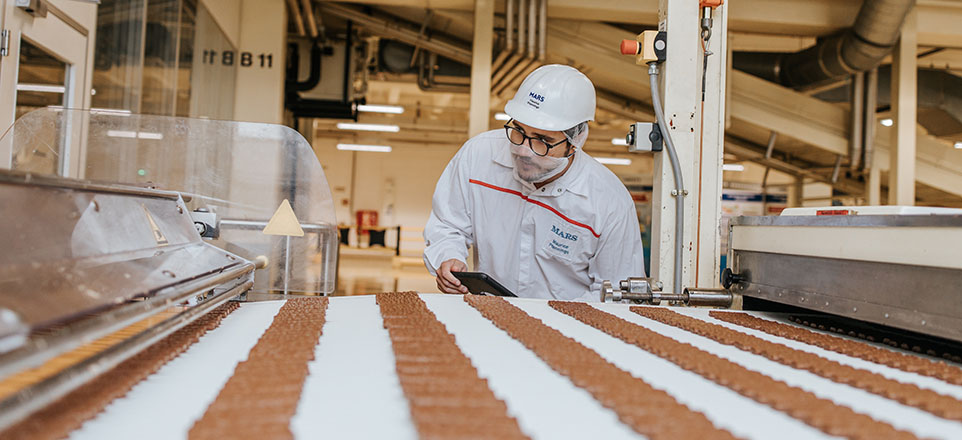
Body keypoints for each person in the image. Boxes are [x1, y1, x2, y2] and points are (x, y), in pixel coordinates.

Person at [423, 64, 645, 301]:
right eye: (519, 131)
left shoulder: (608, 201)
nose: (523, 150)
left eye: (542, 140)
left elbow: (617, 294)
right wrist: (448, 257)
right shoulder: (478, 157)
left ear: (576, 141)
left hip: (566, 330)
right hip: (488, 316)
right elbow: (448, 225)